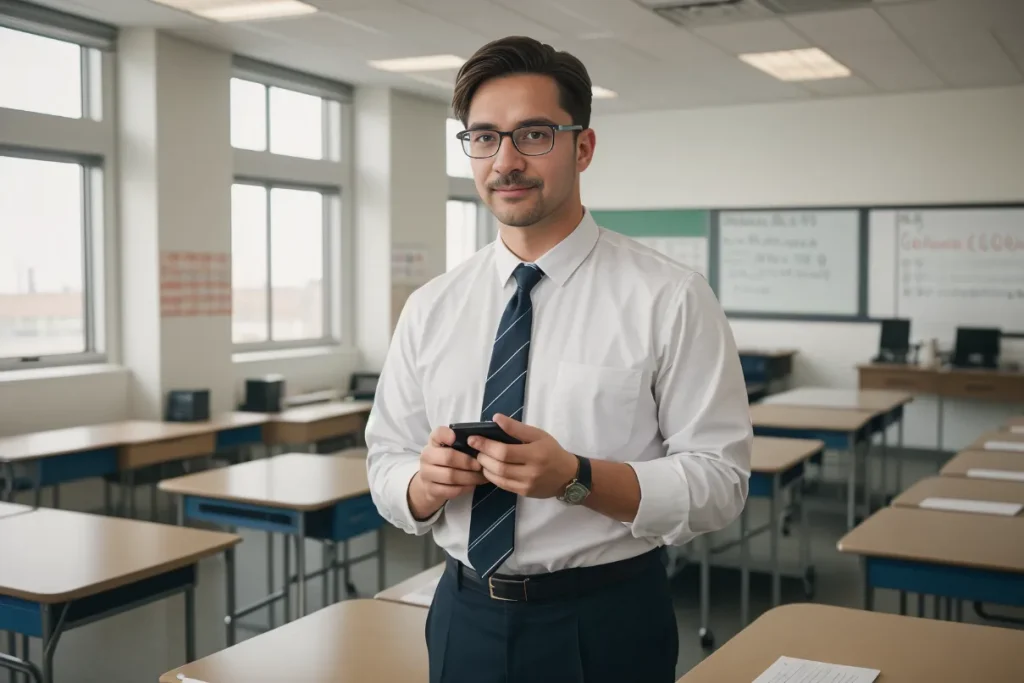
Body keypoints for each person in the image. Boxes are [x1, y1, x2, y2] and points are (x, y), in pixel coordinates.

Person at [365, 35, 752, 683]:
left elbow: (720, 482)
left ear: (584, 146)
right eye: (484, 137)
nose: (506, 160)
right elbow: (385, 459)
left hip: (605, 617)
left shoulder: (670, 297)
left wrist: (575, 477)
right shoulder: (431, 307)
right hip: (462, 612)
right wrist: (422, 484)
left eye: (534, 134)